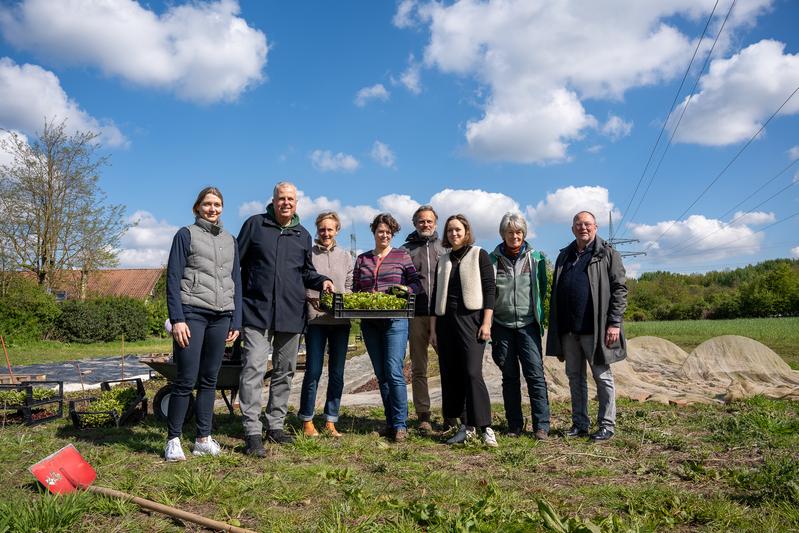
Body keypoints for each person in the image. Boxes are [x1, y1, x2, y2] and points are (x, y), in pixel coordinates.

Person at [237, 182, 334, 455]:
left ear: (297, 202)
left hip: (291, 312)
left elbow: (306, 272)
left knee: (285, 371)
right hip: (256, 311)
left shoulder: (302, 235)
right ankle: (252, 430)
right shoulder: (255, 225)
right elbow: (236, 265)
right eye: (282, 198)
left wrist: (323, 280)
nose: (286, 203)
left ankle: (275, 426)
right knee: (253, 368)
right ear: (273, 200)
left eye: (290, 199)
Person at [164, 186, 242, 461]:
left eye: (217, 204)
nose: (213, 208)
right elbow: (173, 278)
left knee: (210, 379)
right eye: (208, 204)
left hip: (222, 315)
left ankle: (202, 439)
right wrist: (177, 319)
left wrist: (236, 318)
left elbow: (236, 281)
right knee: (186, 378)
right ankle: (173, 439)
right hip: (193, 312)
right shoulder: (185, 235)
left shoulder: (230, 240)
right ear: (197, 207)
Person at [546, 211, 627, 442]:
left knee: (602, 377)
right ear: (573, 229)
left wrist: (614, 322)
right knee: (575, 377)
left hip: (597, 329)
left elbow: (620, 289)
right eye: (579, 224)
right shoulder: (565, 255)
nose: (583, 228)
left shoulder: (607, 253)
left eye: (587, 224)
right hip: (569, 330)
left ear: (596, 227)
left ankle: (607, 425)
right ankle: (580, 424)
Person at [430, 214, 498, 447]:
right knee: (452, 374)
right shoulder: (444, 260)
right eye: (450, 231)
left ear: (466, 231)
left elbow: (490, 290)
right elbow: (434, 296)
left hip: (472, 319)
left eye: (458, 229)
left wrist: (486, 322)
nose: (454, 234)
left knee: (471, 372)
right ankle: (465, 427)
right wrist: (433, 330)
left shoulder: (480, 254)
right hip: (446, 321)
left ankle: (486, 427)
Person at [353, 213, 421, 442]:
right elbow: (354, 289)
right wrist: (363, 296)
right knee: (381, 374)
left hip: (395, 321)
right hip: (370, 323)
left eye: (388, 232)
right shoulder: (362, 259)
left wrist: (405, 291)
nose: (384, 235)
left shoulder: (402, 256)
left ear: (392, 234)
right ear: (374, 233)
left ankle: (401, 424)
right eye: (380, 231)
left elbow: (415, 283)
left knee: (393, 371)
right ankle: (390, 422)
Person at [489, 212, 550, 440]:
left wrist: (536, 315)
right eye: (510, 232)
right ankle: (514, 424)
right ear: (503, 234)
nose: (514, 236)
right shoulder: (492, 259)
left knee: (535, 375)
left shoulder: (536, 258)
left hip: (528, 325)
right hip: (501, 325)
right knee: (510, 376)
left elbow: (541, 289)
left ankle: (541, 425)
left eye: (518, 232)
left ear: (524, 233)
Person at [298, 211, 354, 438]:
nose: (326, 233)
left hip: (340, 320)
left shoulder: (346, 256)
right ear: (317, 230)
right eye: (322, 229)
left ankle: (331, 420)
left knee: (337, 373)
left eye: (330, 229)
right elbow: (301, 279)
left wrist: (343, 300)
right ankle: (307, 420)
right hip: (315, 320)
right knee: (312, 371)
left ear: (337, 230)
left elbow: (350, 283)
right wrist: (308, 297)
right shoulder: (308, 254)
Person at [401, 205, 446, 434]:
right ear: (415, 223)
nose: (425, 225)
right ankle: (424, 415)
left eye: (429, 221)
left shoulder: (445, 246)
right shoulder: (405, 249)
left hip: (441, 315)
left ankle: (453, 413)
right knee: (419, 368)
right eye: (421, 221)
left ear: (435, 223)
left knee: (449, 366)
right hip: (416, 315)